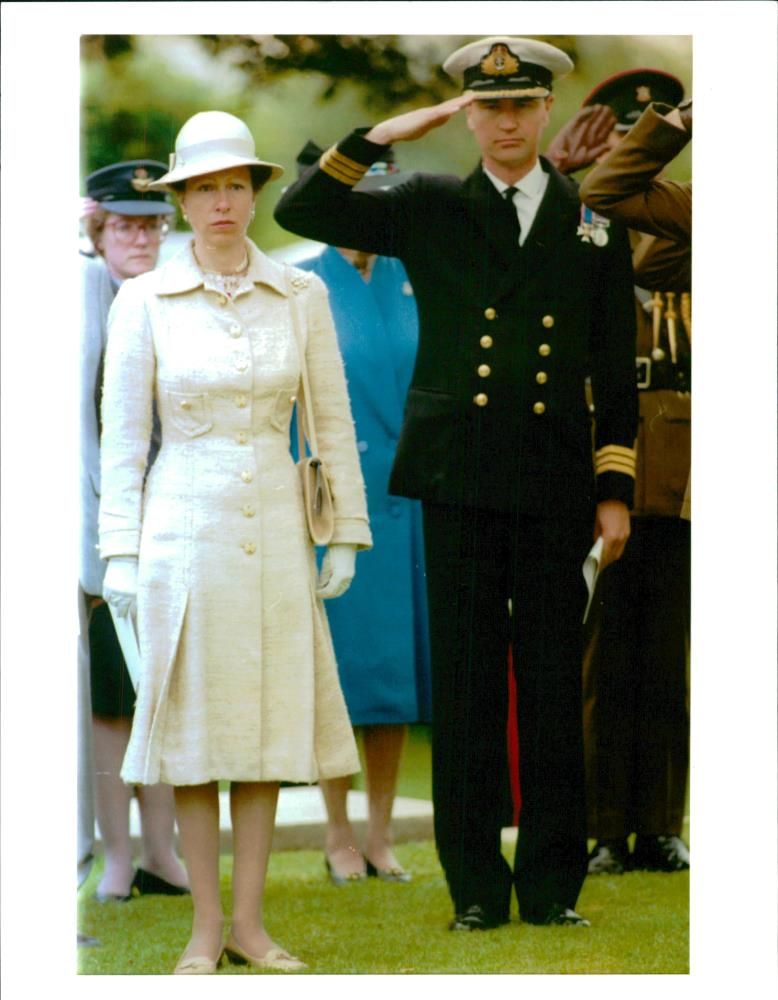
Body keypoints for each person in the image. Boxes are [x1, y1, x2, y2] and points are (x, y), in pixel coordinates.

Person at [274, 36, 638, 931]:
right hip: (460, 476)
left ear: (547, 109)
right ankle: (475, 888)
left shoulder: (592, 226)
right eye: (488, 106)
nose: (506, 121)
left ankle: (552, 890)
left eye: (521, 105)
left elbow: (614, 370)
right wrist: (392, 128)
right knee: (468, 687)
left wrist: (615, 489)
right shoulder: (427, 205)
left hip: (554, 479)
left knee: (552, 684)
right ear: (468, 115)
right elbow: (305, 205)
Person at [98, 110, 372, 974]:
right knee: (193, 734)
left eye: (234, 187)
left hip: (279, 529)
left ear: (255, 195)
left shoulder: (301, 294)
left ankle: (250, 924)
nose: (221, 203)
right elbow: (121, 436)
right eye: (204, 189)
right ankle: (205, 926)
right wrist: (121, 554)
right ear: (181, 201)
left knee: (264, 728)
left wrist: (345, 536)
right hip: (182, 526)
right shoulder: (143, 298)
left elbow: (330, 417)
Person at [293, 141, 431, 885]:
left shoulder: (417, 277)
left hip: (409, 501)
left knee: (395, 681)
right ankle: (337, 833)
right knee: (339, 676)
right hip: (337, 506)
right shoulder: (301, 282)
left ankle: (381, 833)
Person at [574, 78, 692, 874]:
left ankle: (660, 823)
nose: (629, 152)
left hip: (681, 473)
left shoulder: (683, 218)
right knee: (601, 658)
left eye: (645, 135)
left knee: (668, 658)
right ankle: (603, 826)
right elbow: (604, 188)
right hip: (604, 461)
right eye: (622, 134)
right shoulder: (575, 218)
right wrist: (661, 133)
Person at [79, 159, 191, 903]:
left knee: (171, 690)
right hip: (103, 524)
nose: (139, 238)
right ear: (99, 229)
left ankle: (163, 851)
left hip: (178, 523)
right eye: (124, 225)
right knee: (113, 699)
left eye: (151, 224)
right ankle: (116, 853)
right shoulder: (80, 294)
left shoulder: (176, 296)